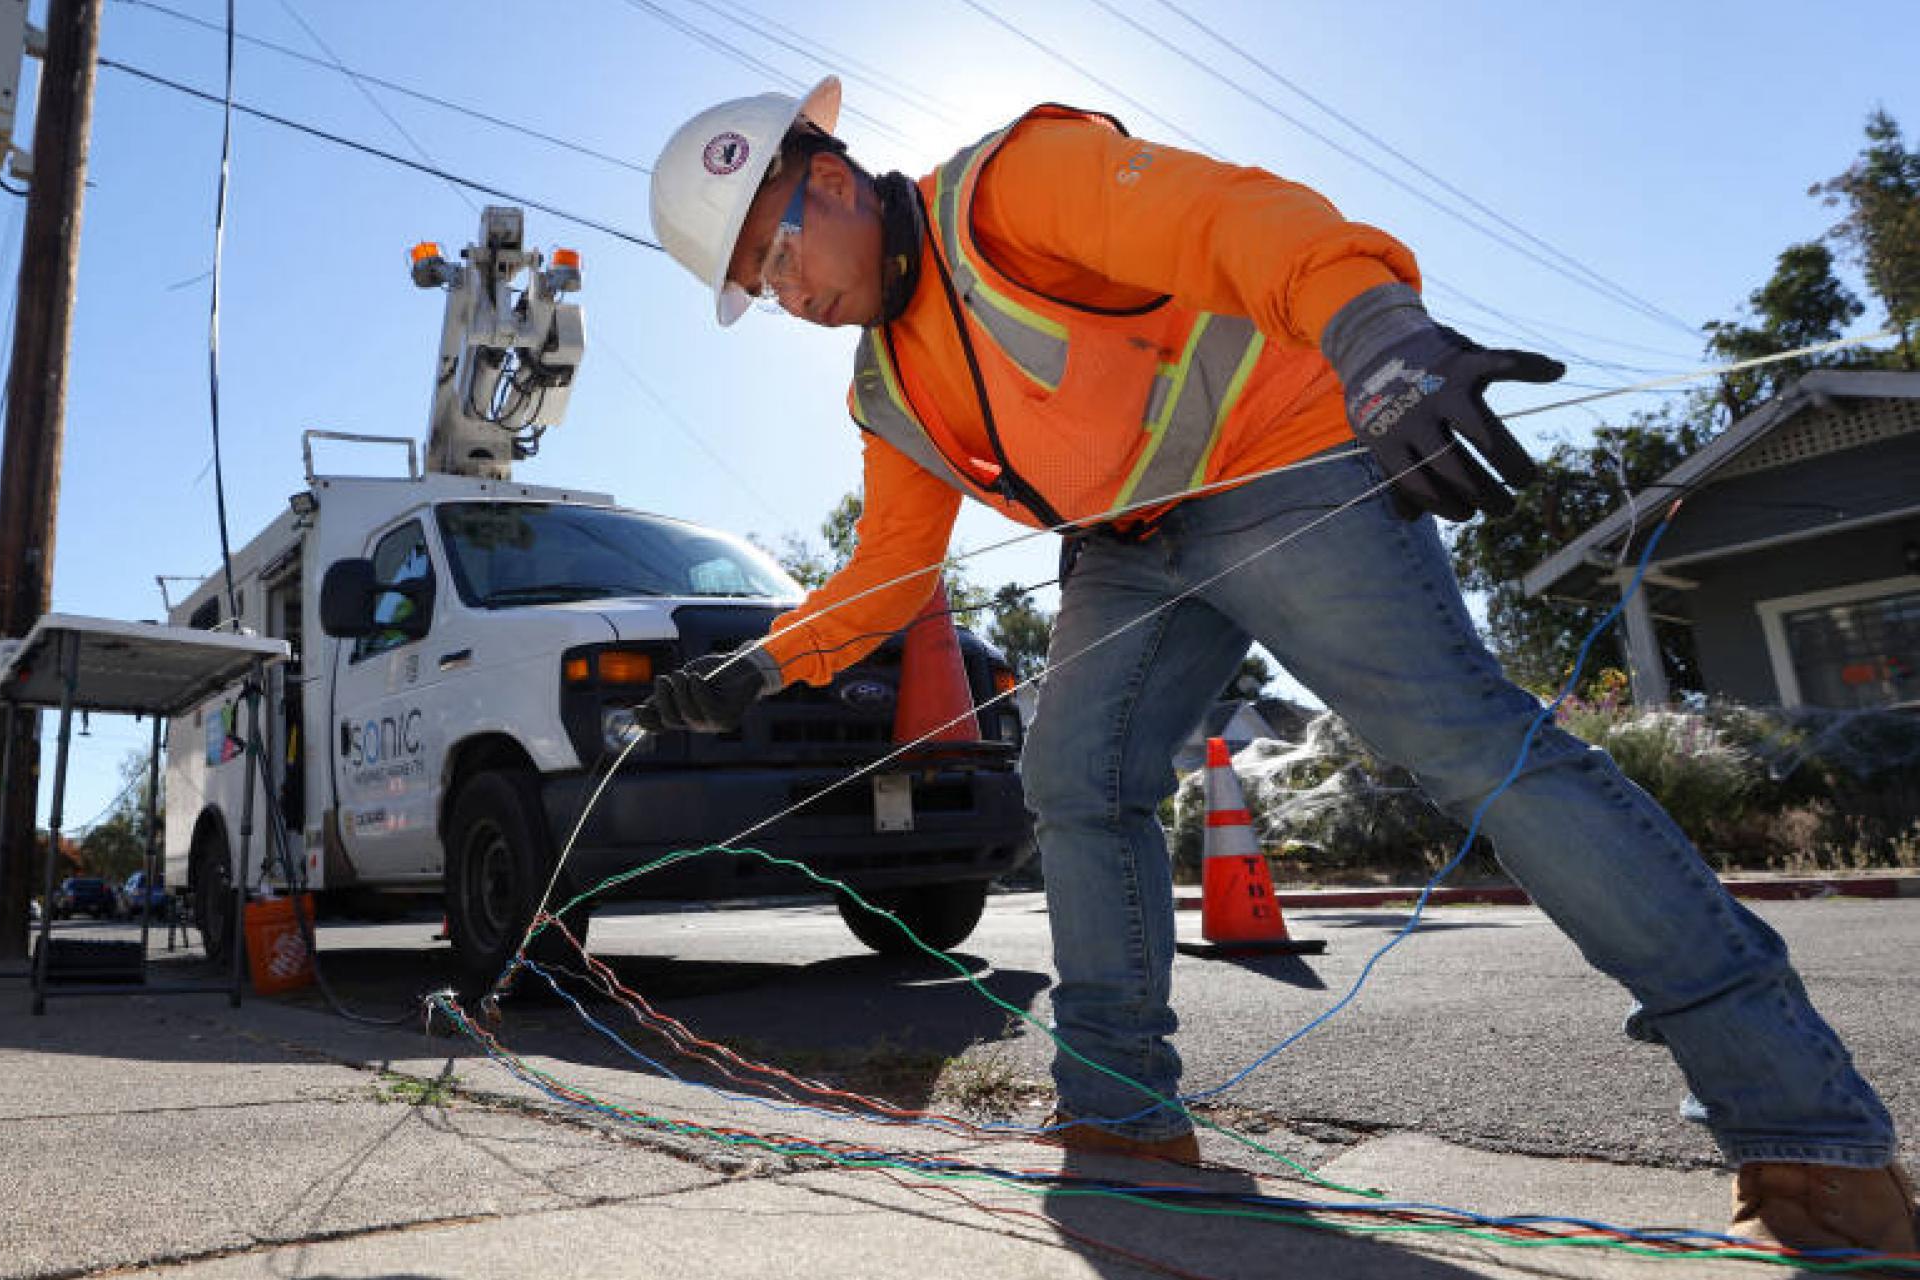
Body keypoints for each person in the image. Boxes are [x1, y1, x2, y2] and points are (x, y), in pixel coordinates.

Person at [636, 77, 1915, 1258]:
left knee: (1469, 749)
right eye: (754, 285)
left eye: (775, 250)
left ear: (835, 176)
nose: (783, 293)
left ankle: (1806, 1135)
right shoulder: (886, 390)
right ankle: (1122, 1115)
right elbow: (889, 574)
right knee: (1074, 775)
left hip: (1288, 468)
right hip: (1135, 546)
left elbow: (1234, 223)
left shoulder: (1012, 189)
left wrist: (1374, 333)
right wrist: (757, 667)